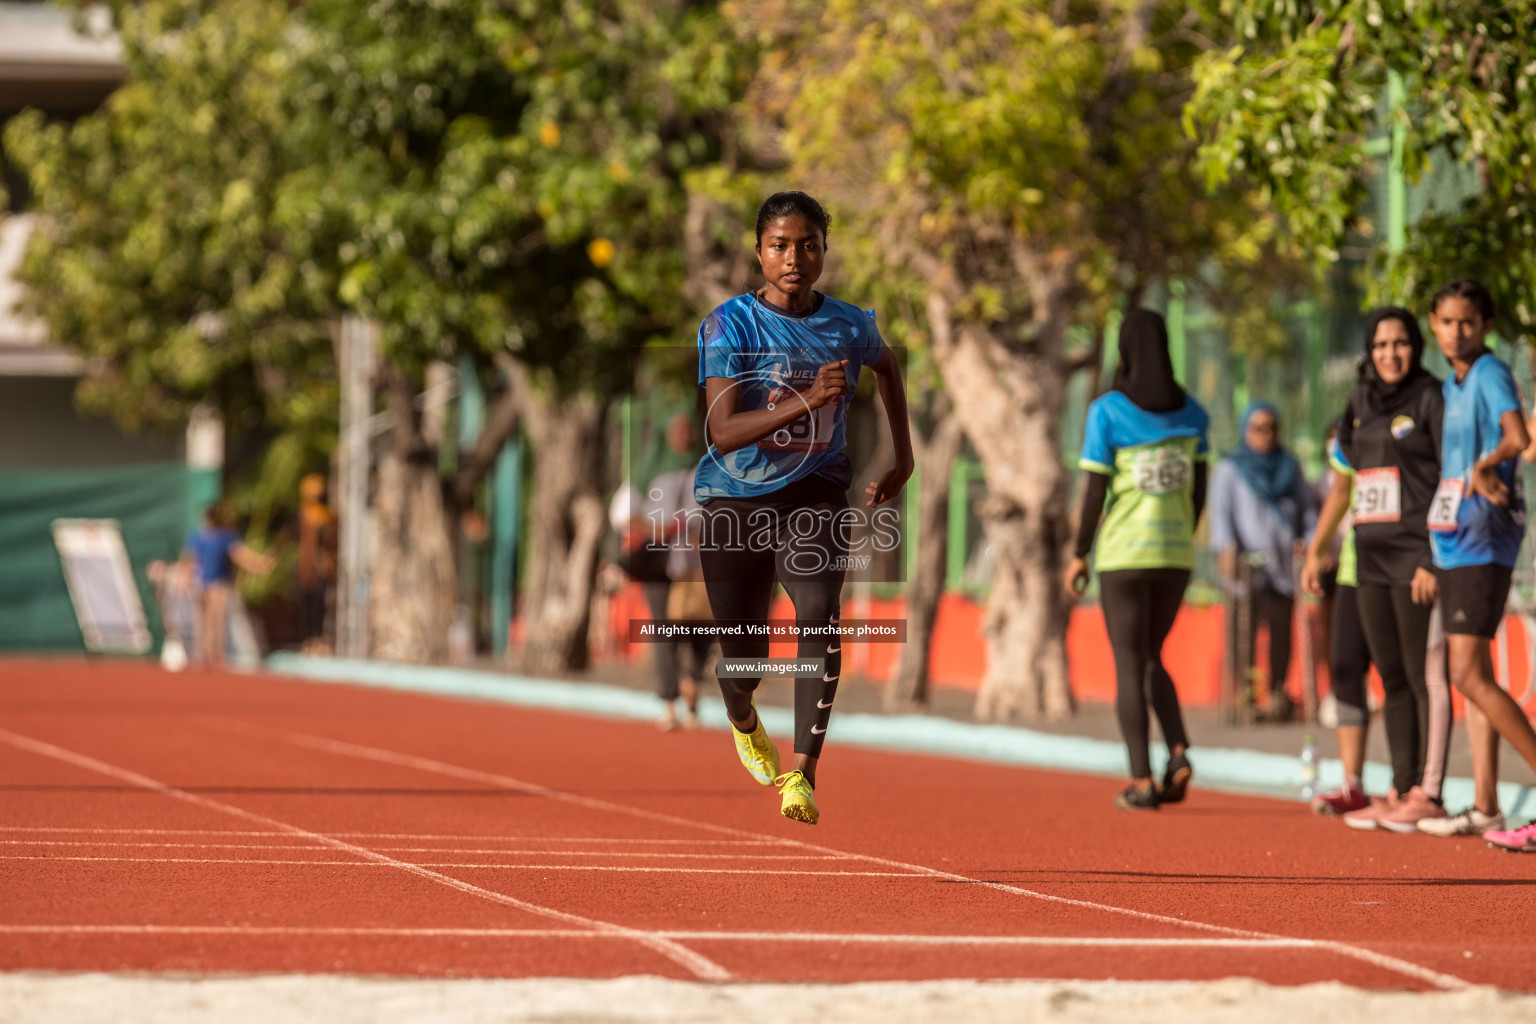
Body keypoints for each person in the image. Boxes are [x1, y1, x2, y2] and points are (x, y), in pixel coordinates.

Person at [694, 190, 912, 825]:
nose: (795, 257)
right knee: (741, 656)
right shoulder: (727, 325)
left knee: (818, 610)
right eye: (780, 245)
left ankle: (803, 773)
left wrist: (903, 457)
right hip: (735, 497)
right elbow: (725, 432)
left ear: (824, 250)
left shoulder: (848, 323)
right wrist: (810, 401)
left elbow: (888, 366)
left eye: (808, 245)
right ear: (759, 251)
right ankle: (742, 715)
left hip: (815, 494)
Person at [1301, 308, 1450, 831]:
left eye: (1401, 343)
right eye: (1382, 344)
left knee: (1419, 676)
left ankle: (1426, 791)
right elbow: (1346, 479)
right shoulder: (1360, 398)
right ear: (1370, 350)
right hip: (1368, 558)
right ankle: (1399, 785)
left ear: (1416, 347)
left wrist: (1433, 557)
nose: (1391, 354)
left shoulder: (1432, 396)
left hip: (1416, 558)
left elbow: (1449, 477)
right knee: (1390, 679)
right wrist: (1319, 548)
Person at [1064, 309, 1210, 810]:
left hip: (1124, 554)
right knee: (1152, 656)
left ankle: (1143, 780)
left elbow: (1093, 493)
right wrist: (1180, 538)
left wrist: (1079, 553)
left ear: (1124, 352)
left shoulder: (1108, 411)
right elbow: (1200, 491)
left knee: (1130, 664)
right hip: (1175, 554)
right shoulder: (1194, 413)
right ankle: (1179, 750)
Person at [1408, 279, 1536, 851]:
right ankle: (1486, 805)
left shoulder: (1487, 374)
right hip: (1455, 538)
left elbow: (1517, 436)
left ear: (1484, 325)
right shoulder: (1454, 384)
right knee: (1472, 674)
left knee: (1467, 674)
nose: (1457, 332)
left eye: (1468, 322)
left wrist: (1489, 466)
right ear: (1432, 324)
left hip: (1486, 536)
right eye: (1447, 322)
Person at [1210, 400, 1318, 721]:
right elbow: (1221, 514)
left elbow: (1307, 510)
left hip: (1282, 566)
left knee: (1281, 633)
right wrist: (1226, 548)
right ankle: (1245, 696)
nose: (1265, 435)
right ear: (1247, 430)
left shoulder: (1289, 467)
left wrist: (1312, 544)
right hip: (1245, 567)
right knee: (1243, 632)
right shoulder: (1231, 469)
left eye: (1271, 428)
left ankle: (1277, 693)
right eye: (1258, 428)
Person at [640, 413, 712, 730]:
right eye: (677, 429)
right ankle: (669, 703)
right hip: (660, 565)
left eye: (688, 428)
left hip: (695, 567)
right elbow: (627, 515)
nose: (683, 434)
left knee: (700, 628)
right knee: (664, 632)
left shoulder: (707, 470)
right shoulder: (648, 472)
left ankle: (692, 681)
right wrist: (658, 529)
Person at [183, 502, 275, 669]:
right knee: (202, 621)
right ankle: (202, 653)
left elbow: (241, 555)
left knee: (215, 620)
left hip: (218, 584)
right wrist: (187, 578)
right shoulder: (199, 536)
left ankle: (214, 653)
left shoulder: (226, 537)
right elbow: (189, 559)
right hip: (201, 583)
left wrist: (259, 564)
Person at [296, 474, 337, 655]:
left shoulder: (328, 516)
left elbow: (332, 540)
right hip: (305, 565)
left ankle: (318, 640)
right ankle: (307, 640)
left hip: (320, 566)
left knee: (319, 604)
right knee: (306, 604)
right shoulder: (301, 514)